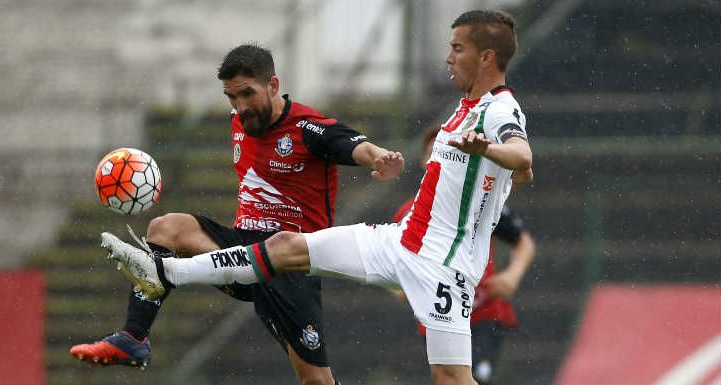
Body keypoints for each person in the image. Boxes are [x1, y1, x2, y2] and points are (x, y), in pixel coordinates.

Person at [100, 10, 531, 385]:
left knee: (452, 378)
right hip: (399, 241)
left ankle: (165, 272)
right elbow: (522, 170)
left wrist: (491, 151)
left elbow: (522, 152)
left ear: (486, 57)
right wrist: (508, 167)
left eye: (457, 48)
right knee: (285, 245)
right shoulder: (464, 107)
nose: (448, 57)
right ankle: (166, 272)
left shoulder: (499, 108)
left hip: (443, 265)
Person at [70, 44, 404, 385]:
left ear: (273, 86)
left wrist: (379, 158)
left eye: (248, 94)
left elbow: (355, 145)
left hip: (291, 264)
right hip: (240, 251)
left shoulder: (307, 128)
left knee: (316, 380)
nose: (241, 107)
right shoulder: (239, 122)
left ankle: (161, 283)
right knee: (166, 228)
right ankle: (134, 337)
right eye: (232, 97)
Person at [391, 127, 536, 385]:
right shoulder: (408, 214)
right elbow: (393, 265)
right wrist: (401, 287)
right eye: (435, 151)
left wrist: (512, 277)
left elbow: (524, 243)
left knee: (478, 376)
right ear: (425, 161)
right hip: (440, 316)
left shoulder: (479, 203)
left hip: (483, 312)